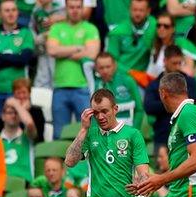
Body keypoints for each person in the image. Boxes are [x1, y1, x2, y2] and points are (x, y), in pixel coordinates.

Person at [46, 0, 101, 139]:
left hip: (83, 87)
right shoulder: (57, 28)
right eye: (71, 7)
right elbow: (51, 50)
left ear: (82, 8)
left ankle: (86, 162)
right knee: (59, 134)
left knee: (88, 133)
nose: (75, 10)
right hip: (60, 87)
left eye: (78, 7)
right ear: (66, 8)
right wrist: (78, 47)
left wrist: (63, 52)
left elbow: (92, 53)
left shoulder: (90, 28)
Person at [0, 0, 35, 116]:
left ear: (18, 13)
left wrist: (0, 56)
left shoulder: (25, 33)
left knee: (19, 128)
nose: (11, 13)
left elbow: (25, 59)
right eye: (7, 10)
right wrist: (15, 57)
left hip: (19, 93)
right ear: (0, 14)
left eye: (14, 10)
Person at [144, 45, 196, 149]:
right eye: (174, 63)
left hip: (185, 136)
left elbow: (193, 102)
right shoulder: (155, 84)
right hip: (162, 135)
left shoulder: (189, 82)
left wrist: (166, 101)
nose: (177, 67)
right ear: (165, 61)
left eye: (180, 63)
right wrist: (175, 102)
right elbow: (149, 107)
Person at [94, 53, 145, 129]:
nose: (105, 71)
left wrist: (134, 132)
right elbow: (95, 113)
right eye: (101, 68)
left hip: (128, 127)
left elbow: (139, 109)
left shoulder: (128, 80)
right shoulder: (97, 85)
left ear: (115, 66)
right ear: (96, 68)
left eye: (108, 67)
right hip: (107, 132)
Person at [106, 0, 157, 73]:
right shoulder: (118, 32)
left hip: (146, 75)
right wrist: (132, 73)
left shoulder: (156, 26)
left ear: (148, 11)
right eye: (134, 10)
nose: (137, 13)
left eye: (141, 10)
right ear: (129, 10)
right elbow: (111, 61)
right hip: (122, 74)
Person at [146, 12, 196, 79]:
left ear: (173, 29)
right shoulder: (155, 45)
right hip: (155, 83)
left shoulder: (181, 43)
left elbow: (189, 71)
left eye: (166, 26)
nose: (161, 28)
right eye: (159, 25)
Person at [0, 78, 45, 143]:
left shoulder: (37, 111)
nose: (21, 96)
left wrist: (20, 108)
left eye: (24, 93)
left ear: (29, 93)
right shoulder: (10, 112)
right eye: (18, 93)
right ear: (13, 95)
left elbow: (36, 133)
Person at [31, 0, 66, 89]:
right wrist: (38, 38)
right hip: (43, 50)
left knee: (57, 77)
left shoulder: (60, 9)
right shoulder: (36, 11)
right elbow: (32, 29)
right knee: (42, 78)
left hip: (58, 50)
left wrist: (51, 34)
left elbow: (67, 28)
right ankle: (40, 102)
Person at [0, 104, 37, 182]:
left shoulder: (27, 137)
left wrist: (15, 103)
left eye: (16, 113)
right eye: (10, 113)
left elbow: (29, 123)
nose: (13, 115)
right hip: (0, 184)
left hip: (23, 184)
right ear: (3, 116)